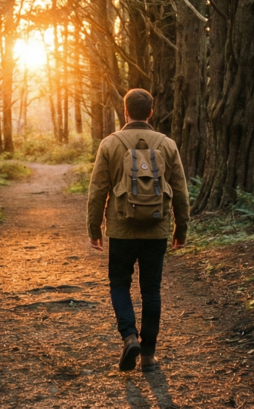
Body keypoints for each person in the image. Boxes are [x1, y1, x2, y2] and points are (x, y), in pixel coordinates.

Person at [86, 88, 189, 372]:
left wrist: (94, 227)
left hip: (121, 229)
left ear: (126, 111)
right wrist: (182, 227)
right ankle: (148, 354)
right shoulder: (167, 144)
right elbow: (180, 189)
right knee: (151, 290)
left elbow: (97, 190)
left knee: (120, 284)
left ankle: (129, 336)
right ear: (151, 113)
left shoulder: (110, 143)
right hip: (157, 230)